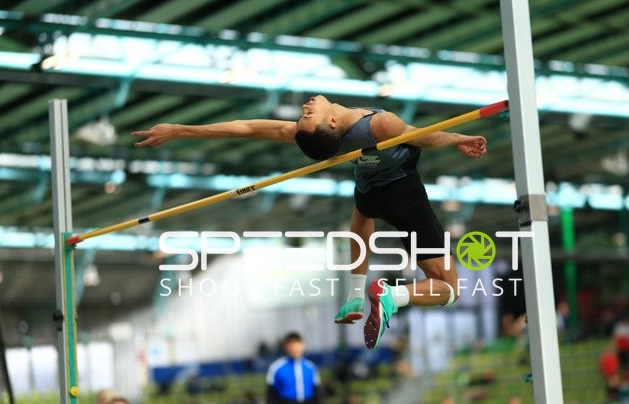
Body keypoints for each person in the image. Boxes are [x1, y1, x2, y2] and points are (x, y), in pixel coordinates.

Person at [132, 95, 487, 349]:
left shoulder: (326, 137)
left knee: (361, 217)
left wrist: (180, 130)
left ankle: (353, 298)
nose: (305, 109)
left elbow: (246, 127)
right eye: (308, 115)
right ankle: (393, 295)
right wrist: (457, 137)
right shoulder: (381, 124)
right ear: (332, 122)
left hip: (369, 194)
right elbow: (426, 136)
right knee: (449, 289)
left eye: (304, 114)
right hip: (404, 197)